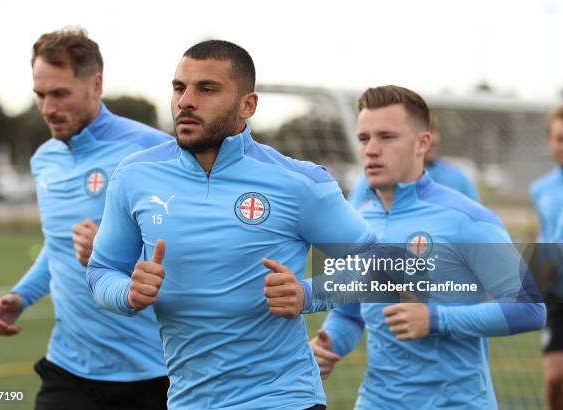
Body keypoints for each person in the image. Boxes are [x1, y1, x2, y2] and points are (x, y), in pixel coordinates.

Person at [86, 40, 378, 410]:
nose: (185, 101)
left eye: (206, 89)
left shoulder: (299, 183)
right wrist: (127, 293)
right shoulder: (134, 175)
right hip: (188, 401)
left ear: (247, 105)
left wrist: (308, 293)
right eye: (179, 88)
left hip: (284, 398)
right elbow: (101, 271)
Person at [309, 85, 546, 409]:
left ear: (423, 143)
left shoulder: (467, 219)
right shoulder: (356, 225)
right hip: (377, 401)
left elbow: (530, 310)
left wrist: (435, 320)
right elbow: (350, 314)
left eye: (386, 137)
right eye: (364, 138)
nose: (371, 150)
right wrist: (329, 342)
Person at [0, 28, 171, 410]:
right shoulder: (44, 161)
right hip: (69, 369)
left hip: (155, 371)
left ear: (96, 84)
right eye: (40, 95)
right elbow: (56, 248)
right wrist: (22, 295)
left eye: (60, 94)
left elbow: (197, 247)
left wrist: (114, 249)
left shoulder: (153, 152)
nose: (48, 108)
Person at [348, 112, 479, 206]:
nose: (433, 139)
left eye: (434, 131)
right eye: (426, 132)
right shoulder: (375, 179)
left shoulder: (458, 179)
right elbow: (356, 222)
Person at [530, 104, 563, 410]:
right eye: (560, 138)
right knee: (555, 378)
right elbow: (546, 232)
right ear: (549, 141)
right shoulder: (540, 189)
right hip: (556, 296)